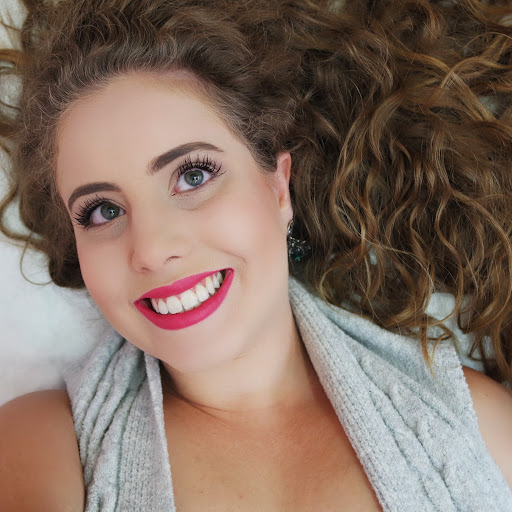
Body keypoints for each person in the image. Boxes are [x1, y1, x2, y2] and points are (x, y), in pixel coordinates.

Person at [1, 0, 512, 510]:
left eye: (193, 176)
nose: (152, 249)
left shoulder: (477, 428)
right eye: (103, 211)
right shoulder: (44, 445)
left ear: (278, 187)